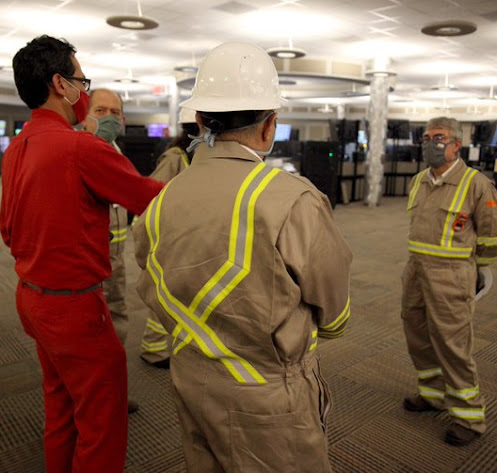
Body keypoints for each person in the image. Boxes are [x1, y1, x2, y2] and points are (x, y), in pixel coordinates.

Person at [133, 42, 353, 473]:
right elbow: (334, 307)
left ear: (198, 121)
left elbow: (151, 283)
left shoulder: (162, 200)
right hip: (268, 396)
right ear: (270, 126)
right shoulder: (293, 199)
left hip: (191, 377)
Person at [0, 35, 164, 473]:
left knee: (61, 410)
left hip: (32, 297)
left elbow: (6, 229)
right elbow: (154, 199)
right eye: (80, 80)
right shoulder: (80, 148)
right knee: (102, 423)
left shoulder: (16, 147)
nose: (84, 93)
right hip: (74, 309)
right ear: (60, 84)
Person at [400, 116, 497, 447]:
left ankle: (469, 417)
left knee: (453, 346)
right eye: (427, 137)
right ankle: (432, 395)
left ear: (456, 144)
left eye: (440, 137)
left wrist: (477, 268)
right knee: (418, 335)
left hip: (451, 274)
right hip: (416, 269)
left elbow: (494, 234)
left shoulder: (476, 184)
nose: (432, 143)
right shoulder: (418, 180)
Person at [82, 88, 138, 412]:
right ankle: (93, 402)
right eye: (100, 111)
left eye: (115, 113)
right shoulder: (77, 152)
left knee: (117, 325)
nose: (109, 118)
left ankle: (112, 394)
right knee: (89, 338)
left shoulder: (117, 155)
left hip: (115, 260)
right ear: (85, 116)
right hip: (87, 266)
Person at [139, 110, 198, 369]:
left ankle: (169, 345)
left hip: (186, 236)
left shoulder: (196, 156)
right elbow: (152, 195)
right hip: (168, 237)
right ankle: (154, 349)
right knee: (165, 293)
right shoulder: (175, 156)